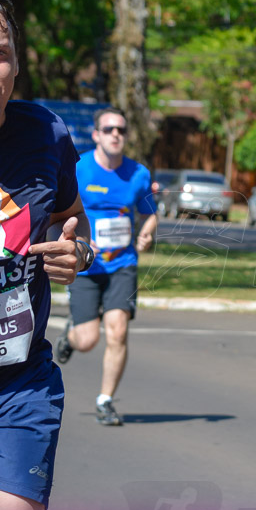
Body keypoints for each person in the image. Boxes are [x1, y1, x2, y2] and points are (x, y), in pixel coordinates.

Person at [0, 0, 93, 510]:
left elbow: (73, 221)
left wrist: (76, 254)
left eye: (3, 52)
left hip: (20, 381)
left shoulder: (46, 133)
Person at [56, 107, 158, 426]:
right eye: (109, 129)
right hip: (86, 264)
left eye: (122, 130)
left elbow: (150, 213)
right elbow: (60, 213)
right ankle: (69, 337)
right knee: (87, 341)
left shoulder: (138, 174)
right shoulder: (79, 169)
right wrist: (81, 239)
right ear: (97, 134)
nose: (116, 134)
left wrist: (146, 233)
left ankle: (105, 400)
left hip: (122, 264)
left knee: (118, 330)